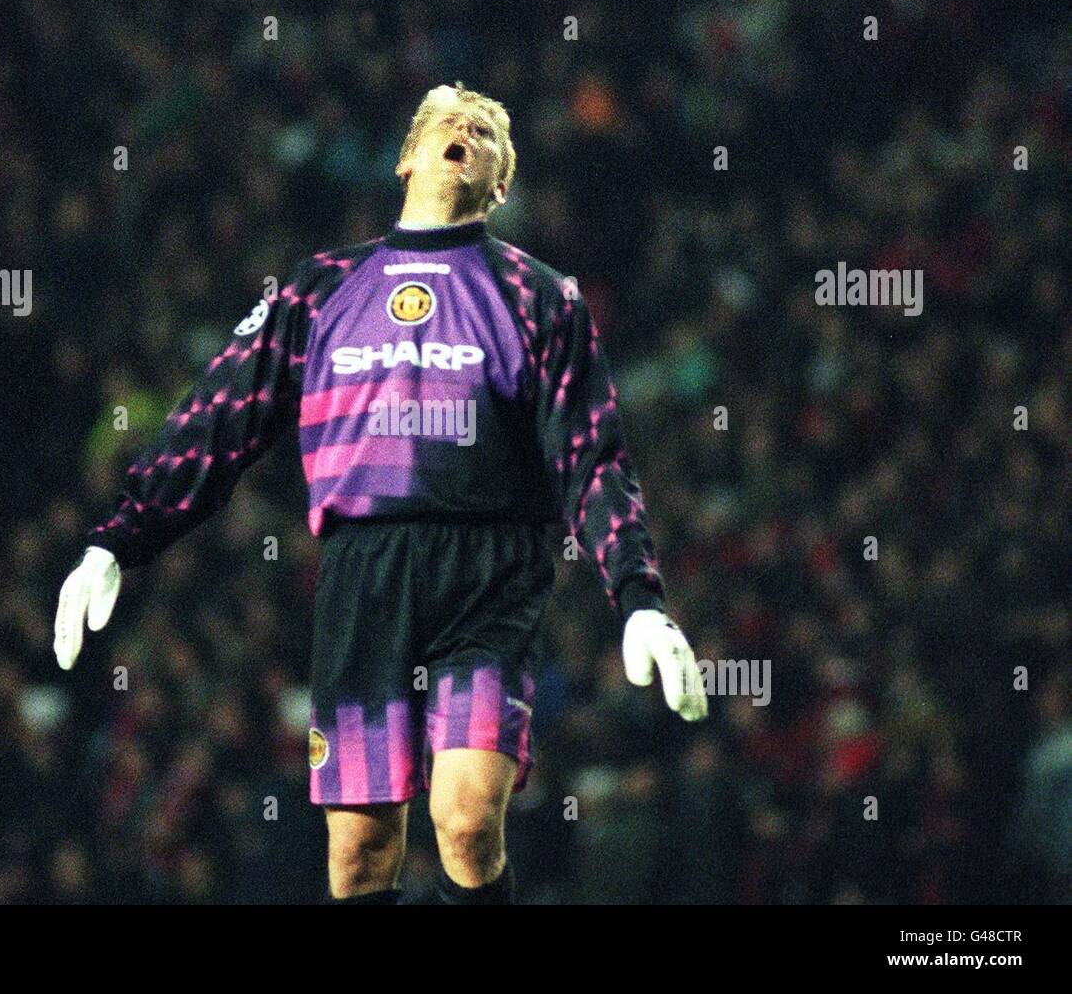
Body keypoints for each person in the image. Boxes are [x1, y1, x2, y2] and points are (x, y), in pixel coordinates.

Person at [53, 83, 708, 905]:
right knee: (360, 854)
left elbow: (592, 456)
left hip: (491, 573)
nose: (467, 131)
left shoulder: (542, 297)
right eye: (449, 122)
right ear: (406, 156)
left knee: (467, 820)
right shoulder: (318, 289)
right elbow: (218, 419)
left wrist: (639, 595)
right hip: (364, 576)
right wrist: (118, 537)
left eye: (488, 131)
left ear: (501, 183)